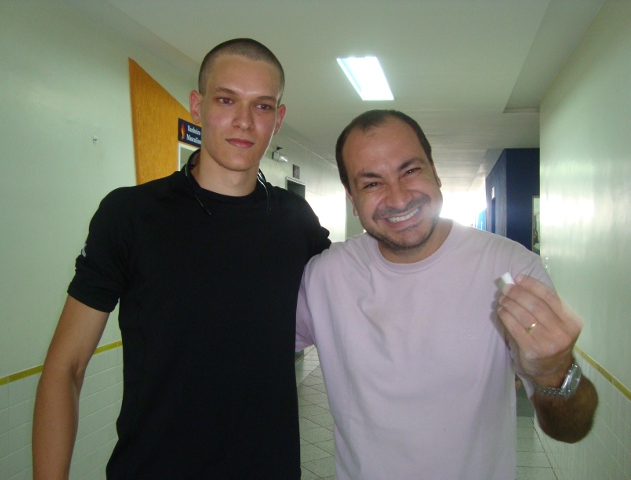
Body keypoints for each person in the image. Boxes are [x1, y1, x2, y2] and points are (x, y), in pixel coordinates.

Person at [33, 38, 330, 479]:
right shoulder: (131, 215)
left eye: (262, 106)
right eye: (226, 100)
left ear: (278, 119)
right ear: (197, 106)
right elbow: (66, 368)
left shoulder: (296, 221)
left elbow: (360, 296)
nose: (245, 121)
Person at [295, 109, 598, 480]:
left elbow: (570, 430)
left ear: (435, 172)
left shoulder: (508, 268)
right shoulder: (325, 275)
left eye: (410, 170)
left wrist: (555, 372)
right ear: (352, 199)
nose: (398, 198)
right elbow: (249, 357)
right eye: (372, 183)